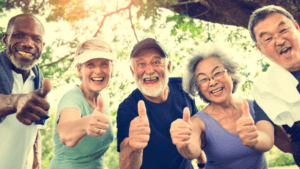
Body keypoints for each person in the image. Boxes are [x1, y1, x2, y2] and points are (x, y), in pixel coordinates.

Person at [170, 44, 268, 169]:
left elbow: (285, 143)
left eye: (217, 73)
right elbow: (192, 152)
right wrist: (183, 144)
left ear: (231, 75)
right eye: (203, 79)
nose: (212, 82)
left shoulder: (255, 107)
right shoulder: (198, 122)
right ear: (199, 88)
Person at [117, 38, 206, 169]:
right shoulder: (127, 108)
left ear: (168, 66)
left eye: (156, 62)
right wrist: (133, 146)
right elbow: (125, 166)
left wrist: (202, 163)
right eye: (141, 64)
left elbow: (200, 138)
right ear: (132, 71)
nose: (149, 70)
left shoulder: (183, 88)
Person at [50, 37, 115, 169]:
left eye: (104, 64)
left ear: (111, 69)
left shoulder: (103, 97)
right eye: (90, 64)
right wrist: (86, 123)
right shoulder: (72, 98)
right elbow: (66, 133)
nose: (98, 71)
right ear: (80, 70)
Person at [248, 5, 300, 166]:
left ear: (297, 27)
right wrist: (253, 138)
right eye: (268, 39)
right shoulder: (264, 88)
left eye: (283, 30)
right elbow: (266, 135)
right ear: (259, 48)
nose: (279, 40)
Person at [0, 14, 51, 169]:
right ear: (5, 40)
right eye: (19, 35)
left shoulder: (39, 81)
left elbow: (35, 128)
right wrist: (15, 101)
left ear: (42, 45)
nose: (28, 43)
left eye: (35, 39)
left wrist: (37, 162)